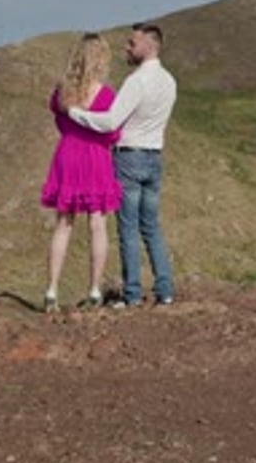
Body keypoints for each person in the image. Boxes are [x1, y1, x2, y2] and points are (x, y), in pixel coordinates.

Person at [69, 22, 176, 307]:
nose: (127, 48)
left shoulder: (136, 81)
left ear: (149, 45)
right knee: (151, 226)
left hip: (129, 156)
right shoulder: (169, 81)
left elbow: (111, 121)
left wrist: (76, 113)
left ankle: (132, 295)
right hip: (155, 156)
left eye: (132, 43)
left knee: (128, 228)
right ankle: (165, 290)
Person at [40, 33, 122, 311]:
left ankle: (51, 290)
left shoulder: (62, 92)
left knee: (63, 225)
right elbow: (114, 133)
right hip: (96, 157)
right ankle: (95, 290)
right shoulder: (107, 95)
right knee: (97, 224)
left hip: (68, 154)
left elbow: (59, 120)